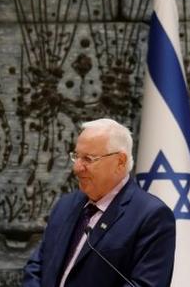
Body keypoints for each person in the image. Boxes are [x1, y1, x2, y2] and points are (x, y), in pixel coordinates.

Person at [23, 118, 175, 287]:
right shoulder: (65, 205)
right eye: (76, 157)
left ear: (120, 162)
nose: (77, 168)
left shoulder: (152, 217)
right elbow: (36, 266)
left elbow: (145, 284)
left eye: (88, 159)